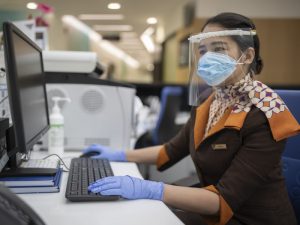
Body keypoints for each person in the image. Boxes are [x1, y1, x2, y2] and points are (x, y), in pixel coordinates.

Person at [84, 12, 300, 225]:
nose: (207, 58)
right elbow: (169, 151)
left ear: (248, 55)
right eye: (203, 50)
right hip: (213, 210)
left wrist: (151, 189)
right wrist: (119, 155)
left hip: (249, 218)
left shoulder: (266, 114)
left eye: (219, 49)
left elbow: (223, 199)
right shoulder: (212, 100)